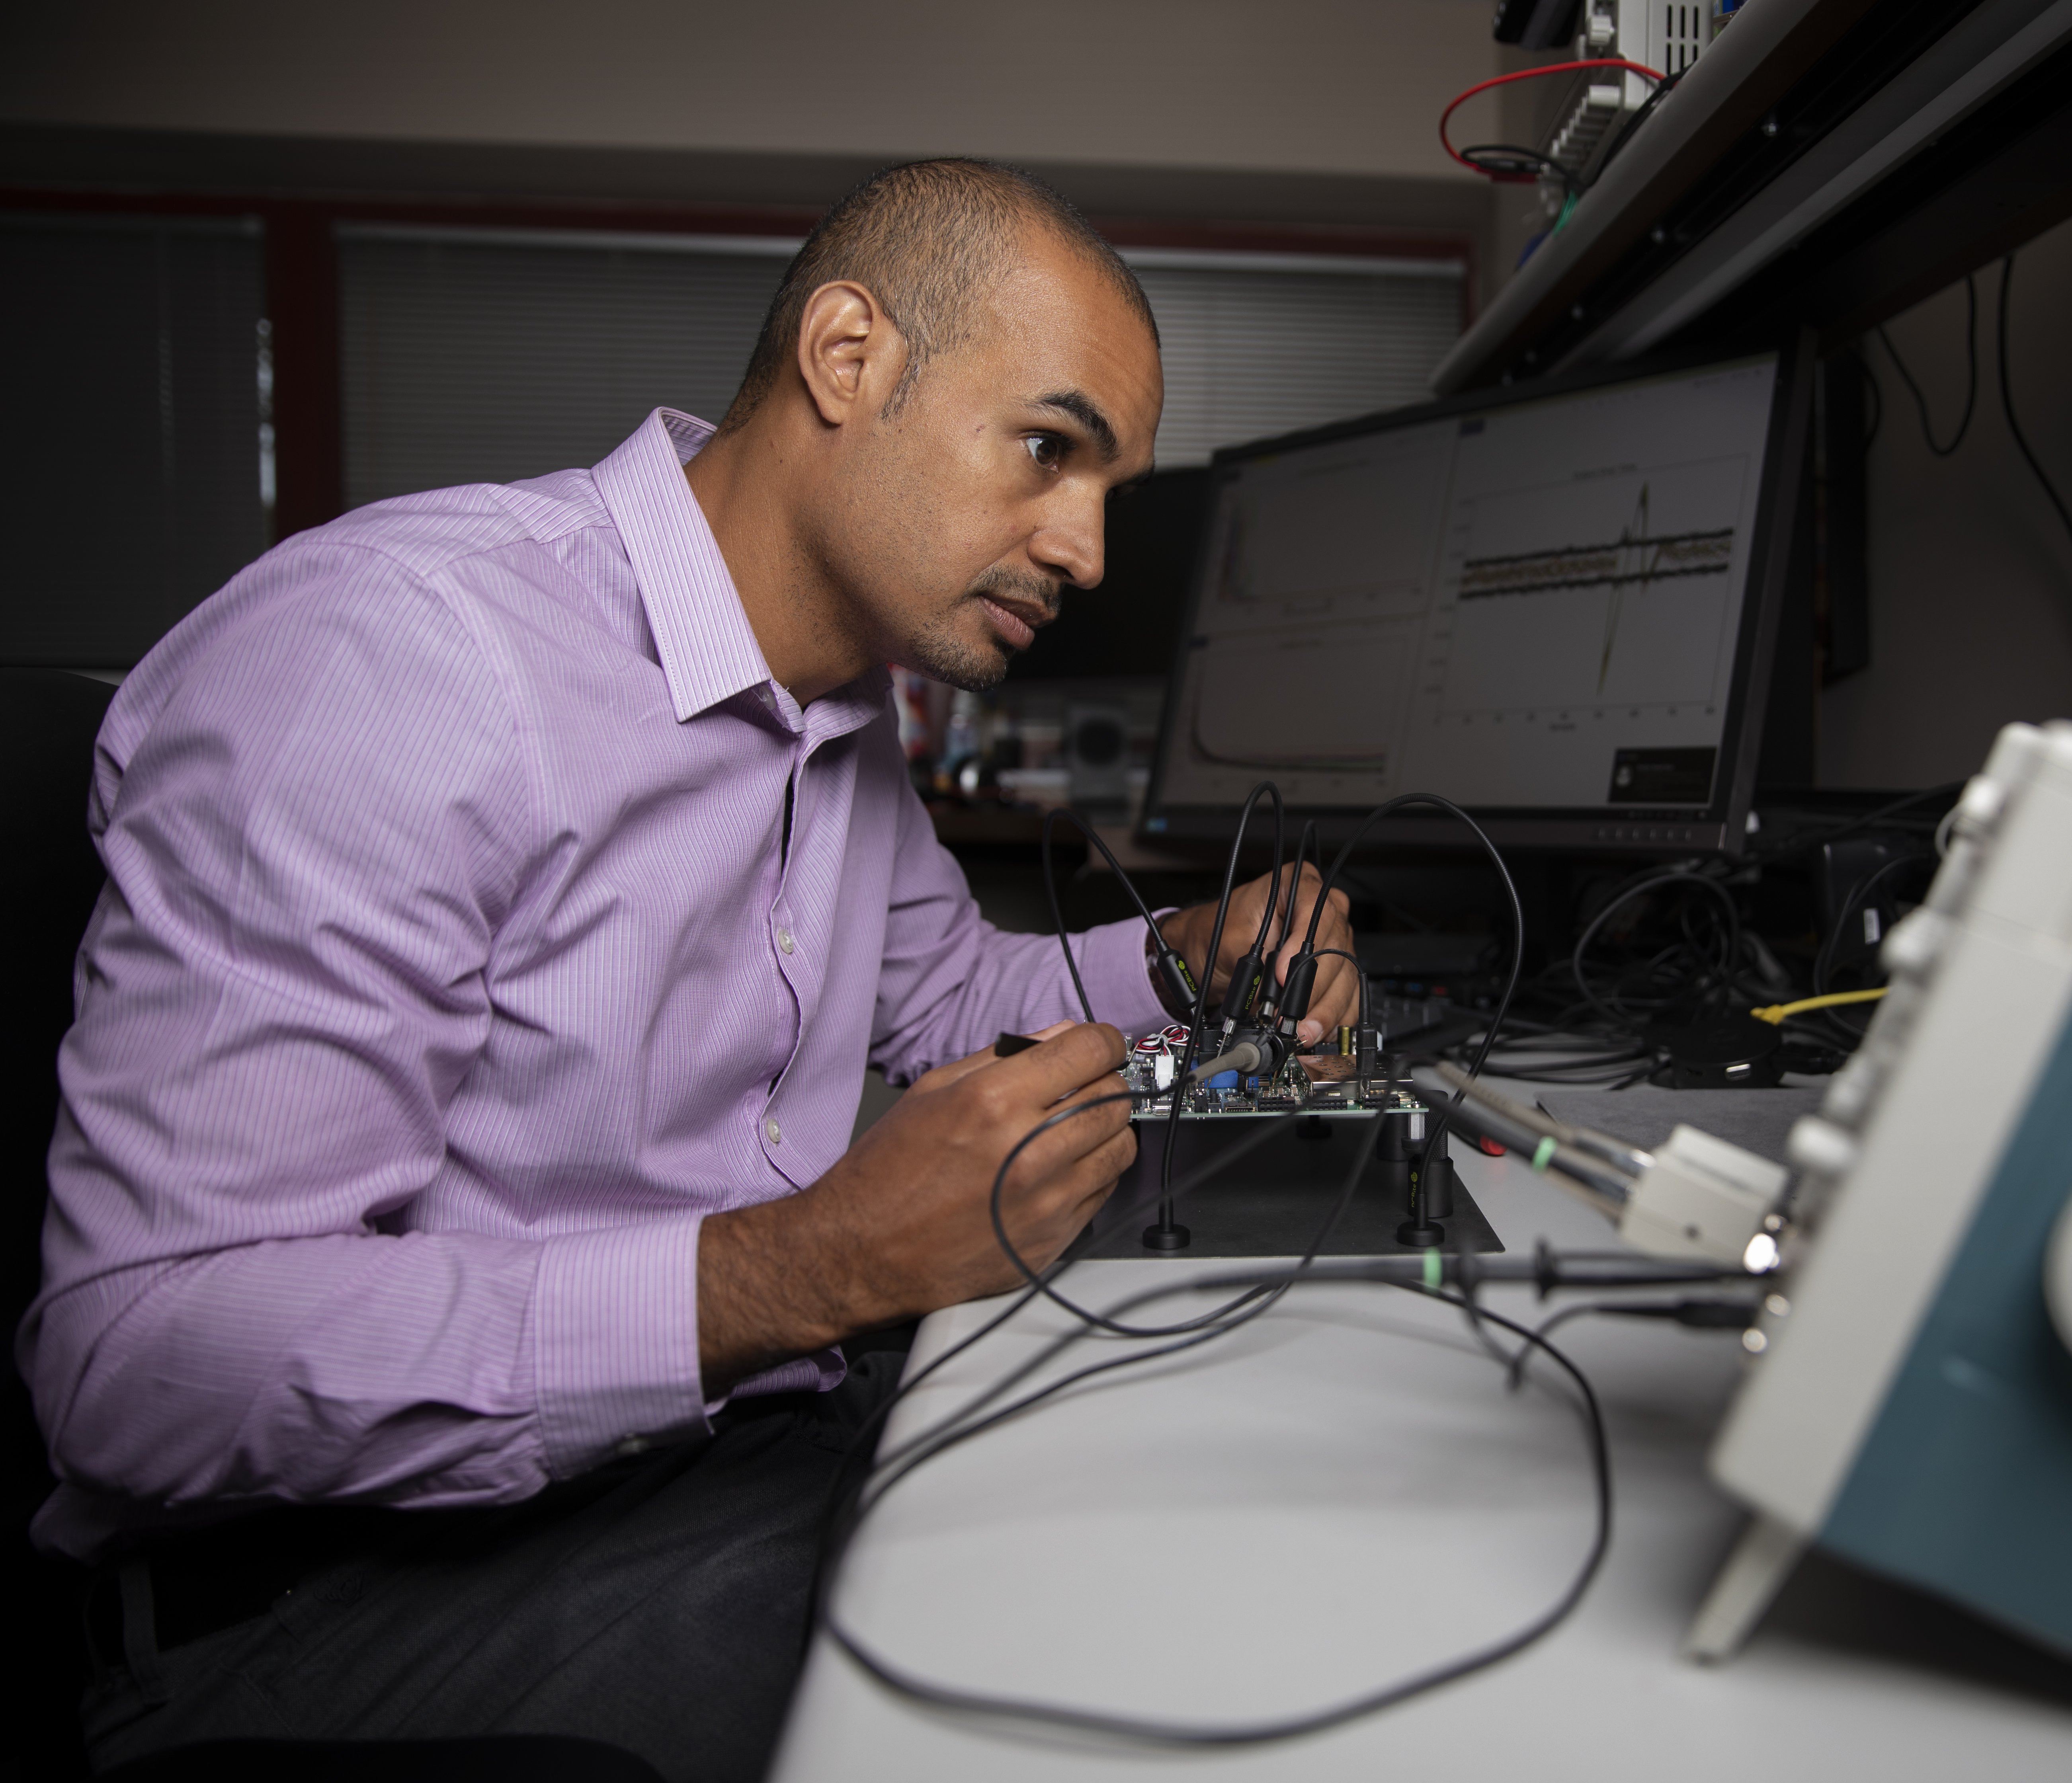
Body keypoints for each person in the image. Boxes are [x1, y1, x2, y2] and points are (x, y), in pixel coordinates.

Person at [19, 158, 1355, 1781]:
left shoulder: (841, 710)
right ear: (849, 358)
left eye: (1107, 492)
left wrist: (1188, 954)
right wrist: (804, 1270)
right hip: (323, 1604)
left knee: (1183, 1522)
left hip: (695, 1465)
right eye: (1049, 450)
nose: (1083, 548)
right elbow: (140, 1359)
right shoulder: (400, 655)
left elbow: (943, 1000)